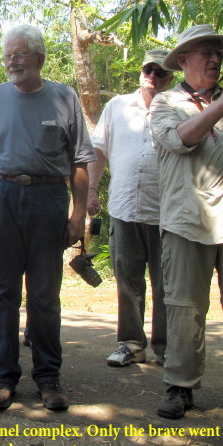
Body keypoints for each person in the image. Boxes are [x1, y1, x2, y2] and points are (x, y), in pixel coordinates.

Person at [0, 24, 94, 411]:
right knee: (1, 292)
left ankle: (48, 377)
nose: (12, 61)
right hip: (1, 198)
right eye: (8, 55)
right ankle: (4, 377)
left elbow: (80, 162)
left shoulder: (64, 97)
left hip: (49, 198)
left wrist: (78, 213)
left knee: (45, 294)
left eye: (20, 54)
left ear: (39, 59)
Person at [149, 24, 223, 419]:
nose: (215, 59)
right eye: (205, 52)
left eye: (218, 53)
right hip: (185, 220)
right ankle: (180, 386)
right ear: (183, 61)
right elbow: (180, 139)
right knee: (184, 308)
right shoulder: (165, 103)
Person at [88, 50, 173, 368]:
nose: (152, 75)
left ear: (170, 78)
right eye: (148, 69)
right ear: (141, 71)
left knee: (167, 284)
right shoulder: (117, 106)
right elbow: (98, 149)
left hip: (167, 213)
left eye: (160, 72)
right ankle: (130, 344)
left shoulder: (178, 109)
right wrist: (92, 189)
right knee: (128, 281)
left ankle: (165, 348)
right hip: (124, 209)